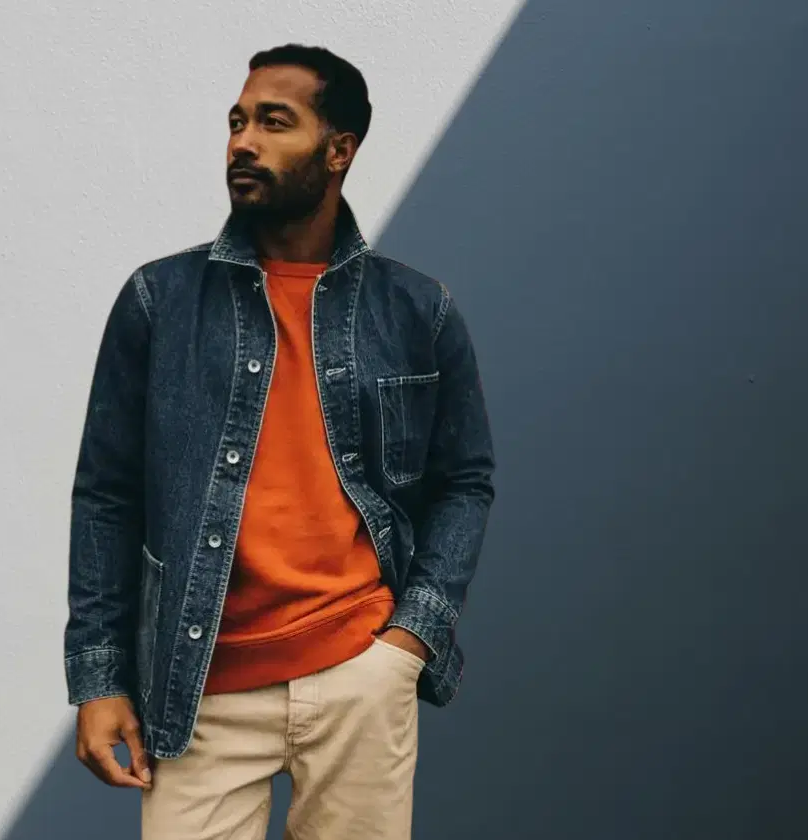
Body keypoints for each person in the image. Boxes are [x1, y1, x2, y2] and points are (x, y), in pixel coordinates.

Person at [64, 43, 495, 839]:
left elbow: (464, 481)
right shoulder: (161, 301)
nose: (243, 142)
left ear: (339, 150)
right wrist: (98, 679)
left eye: (274, 122)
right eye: (236, 121)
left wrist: (410, 638)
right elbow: (107, 496)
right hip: (200, 689)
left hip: (360, 672)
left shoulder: (416, 311)